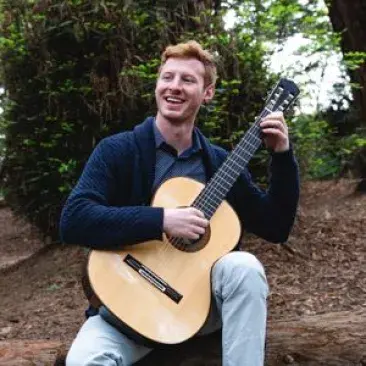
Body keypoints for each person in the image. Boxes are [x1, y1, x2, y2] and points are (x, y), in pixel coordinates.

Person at [60, 40, 299, 366]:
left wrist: (282, 157)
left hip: (194, 310)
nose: (174, 87)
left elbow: (276, 226)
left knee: (244, 267)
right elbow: (74, 219)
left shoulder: (220, 165)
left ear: (207, 93)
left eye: (187, 80)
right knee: (84, 362)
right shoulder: (118, 151)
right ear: (157, 85)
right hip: (125, 311)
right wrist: (162, 220)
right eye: (167, 77)